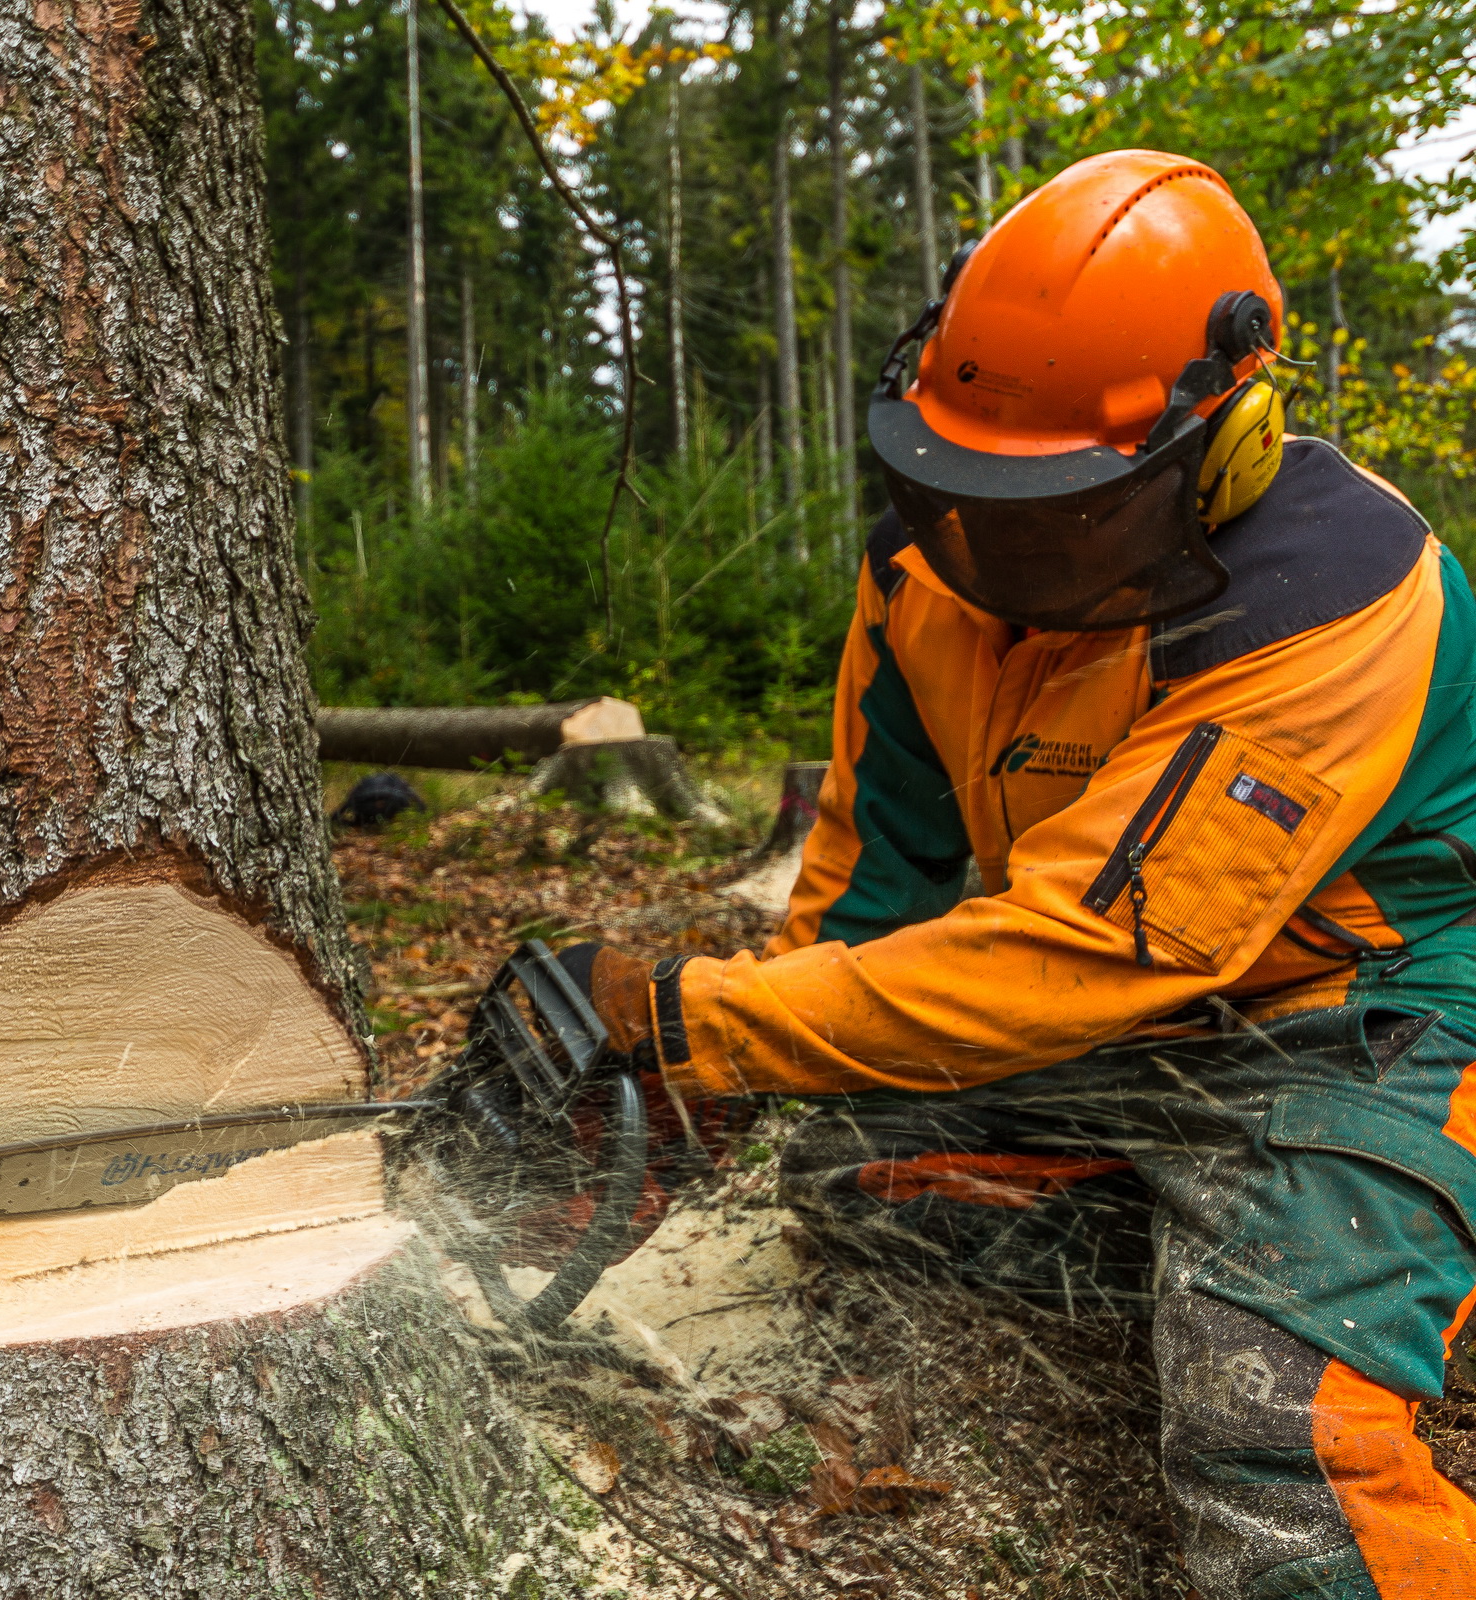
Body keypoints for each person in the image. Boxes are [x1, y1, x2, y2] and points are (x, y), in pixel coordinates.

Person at [556, 150, 1476, 1597]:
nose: (1000, 545)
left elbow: (1093, 952)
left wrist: (700, 1017)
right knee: (846, 1169)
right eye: (962, 487)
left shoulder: (1340, 599)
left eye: (1065, 509)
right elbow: (879, 873)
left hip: (1373, 1021)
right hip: (1132, 1026)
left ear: (1222, 444)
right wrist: (731, 1076)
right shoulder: (934, 570)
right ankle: (1174, 1205)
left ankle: (1319, 1258)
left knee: (1273, 1436)